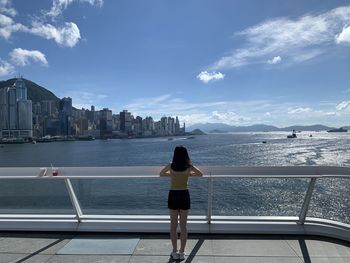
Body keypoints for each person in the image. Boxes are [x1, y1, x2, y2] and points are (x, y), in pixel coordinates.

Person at [160, 145, 203, 260]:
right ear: (186, 155)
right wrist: (189, 173)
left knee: (173, 227)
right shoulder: (188, 166)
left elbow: (161, 174)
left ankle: (174, 251)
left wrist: (172, 174)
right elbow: (200, 174)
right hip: (184, 195)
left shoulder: (171, 165)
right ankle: (182, 252)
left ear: (175, 154)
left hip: (173, 195)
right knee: (183, 226)